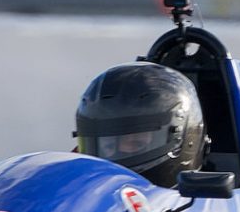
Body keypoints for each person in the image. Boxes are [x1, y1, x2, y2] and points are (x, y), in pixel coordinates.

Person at [74, 62, 208, 187]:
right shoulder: (80, 192)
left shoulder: (214, 206)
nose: (118, 155)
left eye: (136, 144)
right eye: (108, 146)